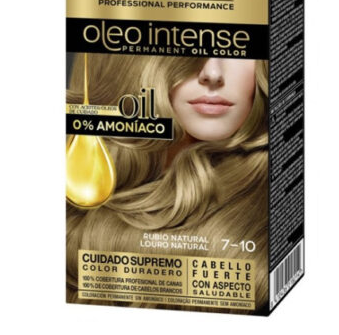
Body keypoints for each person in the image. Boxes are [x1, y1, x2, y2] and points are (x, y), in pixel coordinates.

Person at [66, 53, 269, 313]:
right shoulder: (77, 187)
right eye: (187, 49)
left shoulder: (267, 216)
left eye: (236, 50)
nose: (213, 75)